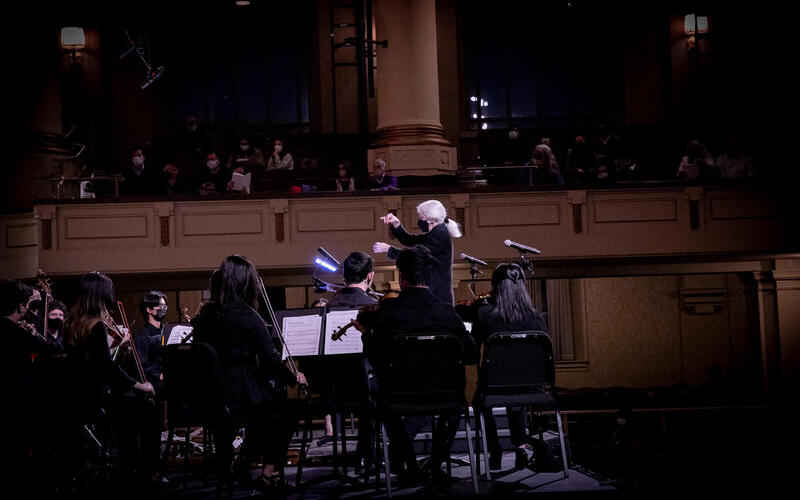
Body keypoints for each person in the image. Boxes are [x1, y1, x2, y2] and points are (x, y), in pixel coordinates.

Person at [354, 245, 479, 485]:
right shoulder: (447, 313)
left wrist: (367, 335)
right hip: (445, 396)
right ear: (430, 278)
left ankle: (410, 466)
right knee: (455, 407)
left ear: (401, 277)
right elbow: (472, 356)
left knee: (384, 404)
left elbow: (375, 358)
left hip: (399, 397)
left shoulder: (388, 315)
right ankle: (434, 465)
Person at [191, 255, 307, 492]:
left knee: (266, 412)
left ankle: (242, 461)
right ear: (247, 282)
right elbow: (271, 358)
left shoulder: (205, 318)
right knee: (288, 410)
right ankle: (265, 473)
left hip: (213, 397)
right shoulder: (247, 315)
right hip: (243, 395)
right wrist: (294, 377)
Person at [63, 272, 155, 489]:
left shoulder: (72, 323)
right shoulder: (97, 326)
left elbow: (90, 362)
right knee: (143, 406)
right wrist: (141, 385)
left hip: (75, 395)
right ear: (102, 295)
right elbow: (107, 368)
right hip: (96, 397)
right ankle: (134, 472)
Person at [469, 263, 549, 471]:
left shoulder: (486, 315)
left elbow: (472, 352)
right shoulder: (537, 319)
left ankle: (494, 446)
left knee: (480, 401)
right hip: (531, 386)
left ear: (496, 287)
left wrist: (479, 308)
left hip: (494, 386)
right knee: (517, 395)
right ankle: (521, 446)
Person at [315, 252, 378, 459]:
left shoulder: (327, 307)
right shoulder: (374, 308)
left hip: (330, 389)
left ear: (344, 276)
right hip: (365, 390)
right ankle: (365, 456)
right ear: (370, 276)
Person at [1, 279, 58, 484]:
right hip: (18, 401)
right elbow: (50, 351)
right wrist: (34, 335)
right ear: (21, 306)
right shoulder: (18, 333)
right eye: (28, 305)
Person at [373, 199, 462, 305]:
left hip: (437, 297)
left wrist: (389, 249)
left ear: (430, 219)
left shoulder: (439, 235)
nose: (419, 220)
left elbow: (414, 256)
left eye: (421, 217)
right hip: (435, 295)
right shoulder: (436, 232)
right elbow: (411, 240)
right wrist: (396, 224)